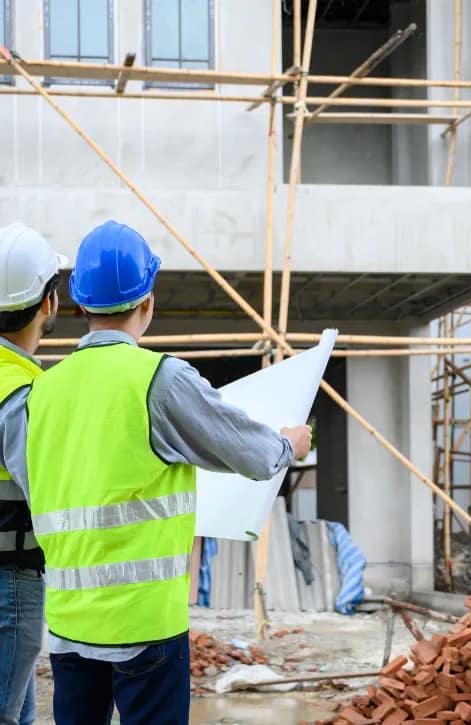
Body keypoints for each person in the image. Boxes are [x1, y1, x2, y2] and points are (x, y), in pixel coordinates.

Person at [0, 220, 311, 725]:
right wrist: (287, 445)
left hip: (69, 627)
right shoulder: (160, 380)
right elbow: (251, 454)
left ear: (77, 307)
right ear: (148, 303)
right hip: (145, 624)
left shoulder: (41, 393)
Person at [0, 223, 67, 725]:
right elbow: (49, 484)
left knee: (20, 712)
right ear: (49, 303)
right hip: (11, 579)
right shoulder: (23, 391)